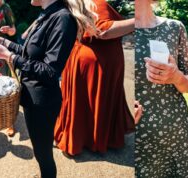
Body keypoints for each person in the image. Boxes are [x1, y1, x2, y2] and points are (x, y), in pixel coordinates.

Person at [0, 0, 96, 176]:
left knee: (43, 154)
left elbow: (50, 71)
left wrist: (10, 57)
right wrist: (4, 42)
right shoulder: (47, 14)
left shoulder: (63, 19)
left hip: (43, 101)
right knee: (40, 151)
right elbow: (30, 54)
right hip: (32, 97)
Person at [54, 0, 135, 157]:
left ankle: (84, 138)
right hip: (97, 63)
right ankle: (94, 140)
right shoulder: (95, 2)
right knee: (96, 100)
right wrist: (137, 21)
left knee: (85, 101)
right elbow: (103, 31)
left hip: (86, 58)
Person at [130, 0, 188, 177]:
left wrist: (176, 76)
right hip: (138, 137)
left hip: (178, 135)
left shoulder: (175, 27)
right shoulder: (119, 28)